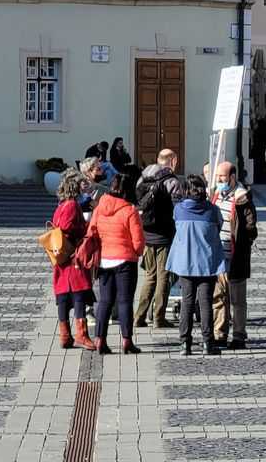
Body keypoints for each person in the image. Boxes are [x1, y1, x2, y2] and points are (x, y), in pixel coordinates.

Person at [166, 175, 226, 355]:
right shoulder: (213, 210)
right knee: (206, 301)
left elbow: (175, 224)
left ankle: (185, 343)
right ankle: (208, 342)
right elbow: (219, 225)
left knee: (187, 301)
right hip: (207, 260)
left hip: (185, 261)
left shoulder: (179, 209)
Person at [88, 173, 145, 355]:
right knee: (125, 301)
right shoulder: (130, 210)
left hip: (104, 260)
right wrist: (137, 253)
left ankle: (99, 339)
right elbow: (138, 242)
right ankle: (127, 340)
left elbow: (92, 231)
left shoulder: (99, 207)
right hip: (125, 260)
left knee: (105, 301)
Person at [210, 161, 257, 349]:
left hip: (236, 256)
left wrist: (242, 242)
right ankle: (219, 333)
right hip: (218, 256)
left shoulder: (242, 198)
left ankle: (238, 335)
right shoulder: (215, 195)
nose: (220, 180)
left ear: (232, 177)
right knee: (219, 297)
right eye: (218, 176)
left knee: (237, 300)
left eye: (223, 176)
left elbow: (251, 227)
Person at [133, 148, 181, 329]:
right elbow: (178, 208)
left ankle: (139, 316)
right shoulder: (171, 180)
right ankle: (159, 317)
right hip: (164, 235)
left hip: (147, 233)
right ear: (173, 161)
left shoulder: (144, 176)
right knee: (164, 277)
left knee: (149, 276)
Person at [50, 169, 97, 350]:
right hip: (71, 256)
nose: (83, 187)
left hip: (62, 256)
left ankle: (65, 336)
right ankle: (81, 335)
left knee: (63, 296)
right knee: (78, 294)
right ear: (74, 186)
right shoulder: (71, 205)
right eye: (80, 184)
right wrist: (84, 229)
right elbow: (65, 227)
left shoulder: (61, 204)